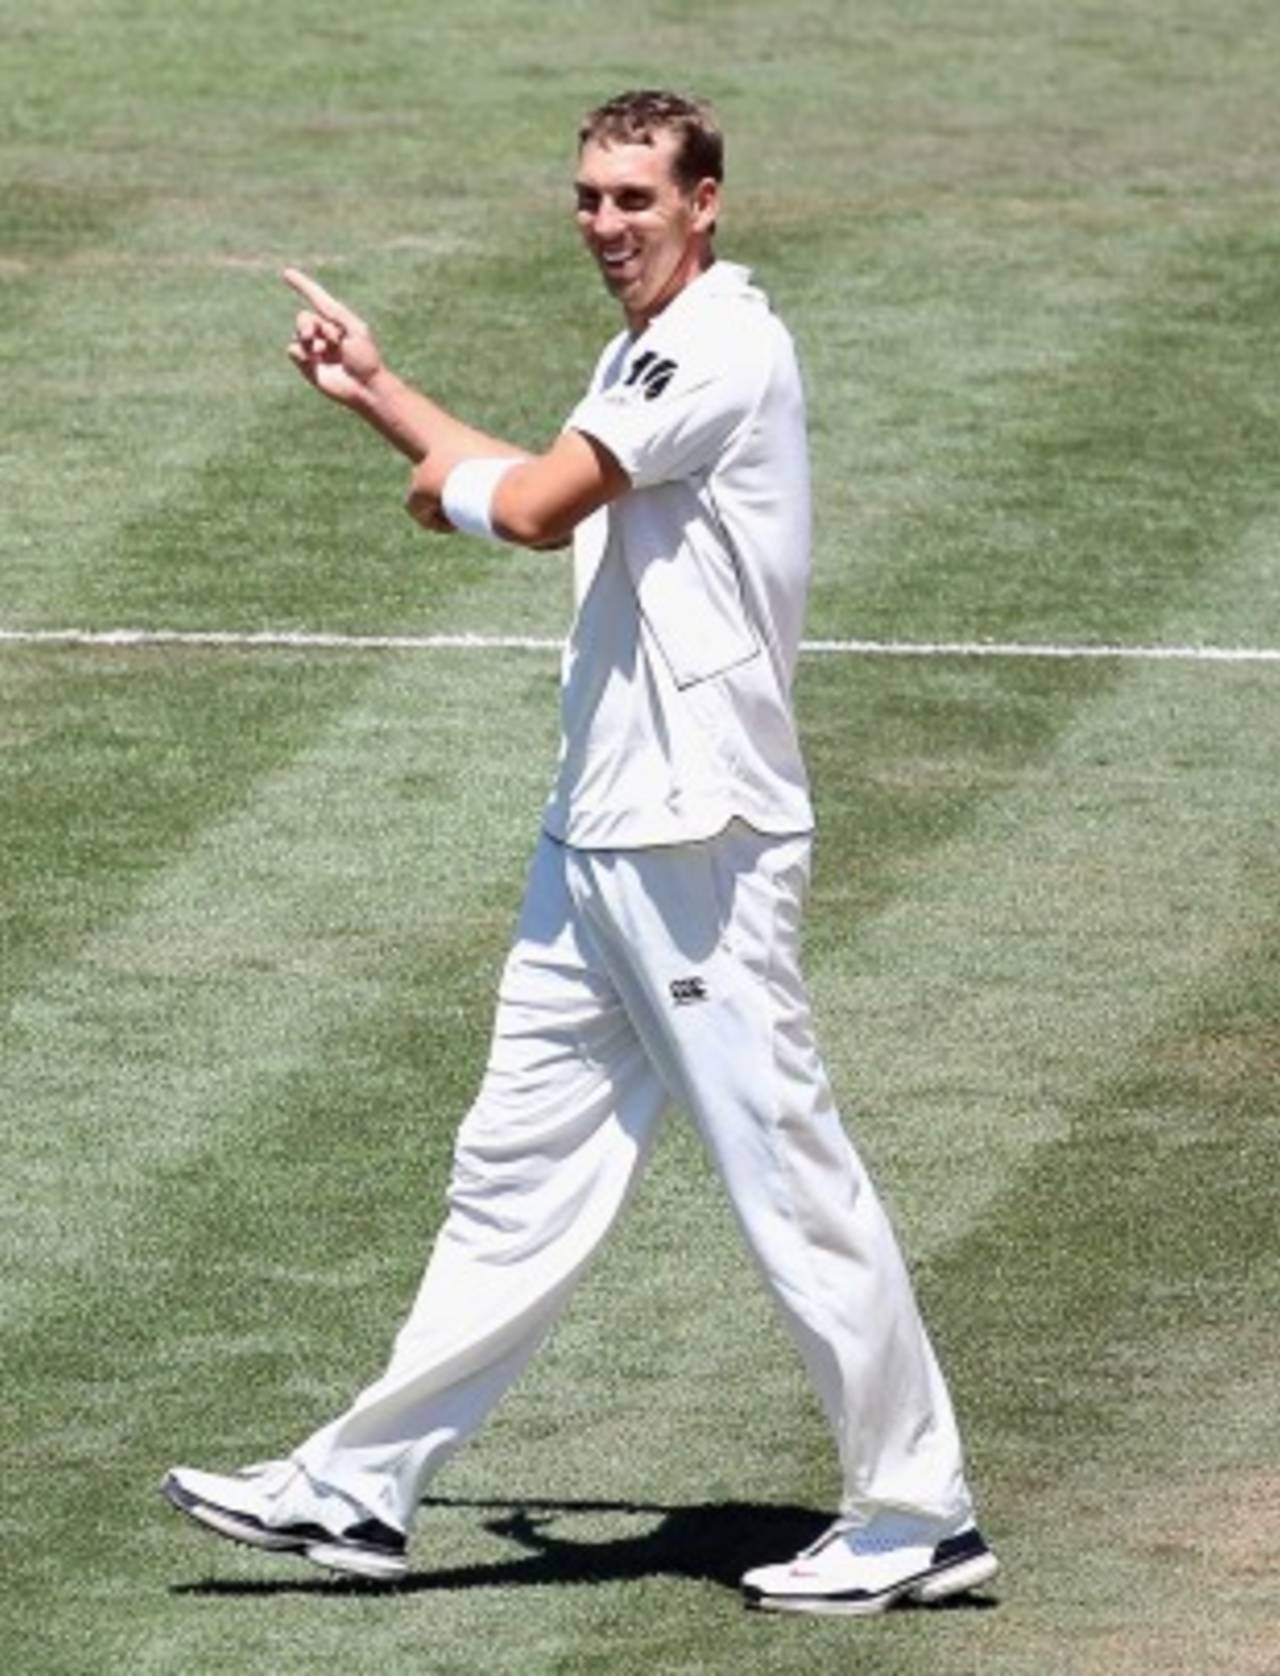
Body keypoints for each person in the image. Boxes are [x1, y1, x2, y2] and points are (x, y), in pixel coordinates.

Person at [162, 88, 998, 1617]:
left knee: (787, 1177)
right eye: (588, 198)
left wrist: (453, 496)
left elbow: (538, 505)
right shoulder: (645, 347)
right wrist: (380, 396)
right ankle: (360, 1489)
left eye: (635, 198)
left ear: (707, 202)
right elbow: (544, 475)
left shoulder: (718, 342)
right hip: (600, 829)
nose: (607, 225)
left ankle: (916, 1510)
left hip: (697, 840)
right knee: (514, 1178)